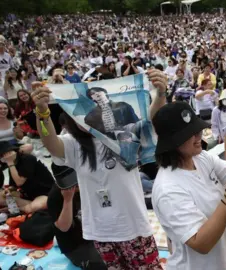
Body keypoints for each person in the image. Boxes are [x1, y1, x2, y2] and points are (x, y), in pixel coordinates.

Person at [31, 69, 167, 269]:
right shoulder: (74, 144)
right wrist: (42, 112)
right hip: (101, 231)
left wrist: (161, 94)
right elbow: (50, 142)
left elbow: (151, 120)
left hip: (133, 226)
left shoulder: (124, 134)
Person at [151, 101, 226, 270]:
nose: (199, 136)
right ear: (173, 142)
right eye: (191, 133)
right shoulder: (168, 190)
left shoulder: (201, 158)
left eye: (198, 130)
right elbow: (201, 243)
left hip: (222, 262)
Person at [47, 165, 107, 270]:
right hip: (75, 245)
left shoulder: (85, 184)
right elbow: (64, 228)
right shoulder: (55, 196)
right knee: (104, 264)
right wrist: (68, 200)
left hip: (94, 234)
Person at [0, 141, 54, 213]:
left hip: (45, 193)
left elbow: (19, 182)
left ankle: (22, 208)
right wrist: (9, 190)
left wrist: (10, 162)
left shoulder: (27, 159)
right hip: (28, 196)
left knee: (34, 207)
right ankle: (26, 206)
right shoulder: (12, 166)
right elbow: (14, 186)